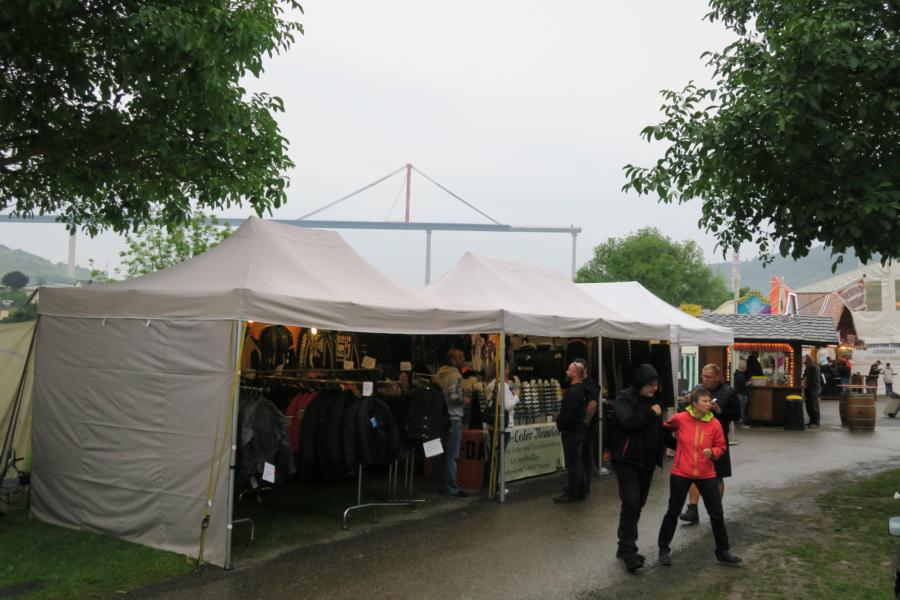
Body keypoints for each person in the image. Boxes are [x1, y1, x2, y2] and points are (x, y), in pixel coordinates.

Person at [657, 385, 742, 566]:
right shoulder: (680, 418)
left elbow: (721, 445)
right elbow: (664, 429)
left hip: (706, 473)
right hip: (681, 471)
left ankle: (723, 552)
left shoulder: (715, 423)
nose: (708, 404)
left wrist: (713, 453)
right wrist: (675, 447)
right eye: (704, 401)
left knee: (716, 513)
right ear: (694, 404)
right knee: (673, 511)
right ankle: (663, 549)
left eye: (709, 401)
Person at [610, 364, 665, 574]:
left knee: (637, 504)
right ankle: (628, 550)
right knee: (631, 503)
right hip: (626, 460)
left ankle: (624, 545)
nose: (654, 388)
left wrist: (679, 444)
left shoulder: (655, 400)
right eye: (651, 385)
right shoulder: (625, 398)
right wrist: (651, 413)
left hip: (647, 462)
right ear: (641, 382)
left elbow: (659, 429)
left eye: (656, 385)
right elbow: (628, 421)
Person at [680, 363, 739, 525]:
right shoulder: (697, 390)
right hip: (697, 436)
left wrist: (719, 411)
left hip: (717, 438)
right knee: (694, 474)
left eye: (708, 377)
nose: (704, 379)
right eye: (703, 376)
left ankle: (716, 511)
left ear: (718, 377)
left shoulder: (728, 391)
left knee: (717, 475)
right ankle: (692, 509)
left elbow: (737, 415)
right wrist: (687, 403)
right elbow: (686, 412)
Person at [434, 348, 470, 498]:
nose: (463, 359)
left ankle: (438, 485)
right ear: (453, 360)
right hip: (453, 418)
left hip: (439, 418)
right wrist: (464, 400)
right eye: (461, 357)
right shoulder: (456, 375)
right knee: (451, 455)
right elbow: (453, 397)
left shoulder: (439, 374)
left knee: (439, 454)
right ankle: (452, 488)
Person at [554, 361, 588, 504]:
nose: (566, 372)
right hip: (577, 431)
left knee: (573, 463)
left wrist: (560, 423)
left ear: (574, 373)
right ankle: (580, 490)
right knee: (577, 462)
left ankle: (573, 493)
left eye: (568, 370)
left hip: (572, 432)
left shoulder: (573, 392)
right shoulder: (580, 390)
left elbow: (568, 415)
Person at [483, 364, 519, 496]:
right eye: (507, 368)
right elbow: (507, 406)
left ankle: (489, 483)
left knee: (493, 455)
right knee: (499, 457)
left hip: (493, 424)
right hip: (503, 425)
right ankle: (497, 487)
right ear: (504, 369)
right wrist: (516, 396)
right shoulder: (502, 385)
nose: (509, 371)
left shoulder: (491, 384)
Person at [574, 358, 601, 491]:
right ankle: (580, 484)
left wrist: (586, 421)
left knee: (584, 454)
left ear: (585, 369)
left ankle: (584, 486)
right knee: (579, 454)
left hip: (586, 426)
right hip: (579, 425)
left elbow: (593, 404)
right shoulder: (577, 382)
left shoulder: (591, 384)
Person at [802, 354, 821, 428]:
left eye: (806, 363)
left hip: (814, 389)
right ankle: (811, 421)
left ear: (809, 361)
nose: (805, 364)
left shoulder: (814, 368)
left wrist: (806, 384)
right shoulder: (808, 368)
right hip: (809, 389)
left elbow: (814, 380)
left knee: (814, 406)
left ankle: (816, 422)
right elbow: (804, 377)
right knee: (809, 406)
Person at [733, 360, 750, 429]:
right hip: (742, 394)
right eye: (746, 367)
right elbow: (743, 385)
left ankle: (737, 422)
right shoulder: (741, 375)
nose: (747, 368)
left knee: (739, 409)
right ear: (743, 367)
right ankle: (740, 423)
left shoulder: (736, 373)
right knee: (741, 409)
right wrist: (749, 383)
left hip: (738, 393)